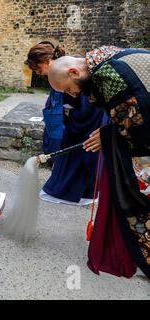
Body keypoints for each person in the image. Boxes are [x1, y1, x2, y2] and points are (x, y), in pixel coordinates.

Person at [48, 46, 150, 279]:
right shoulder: (108, 56)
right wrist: (109, 133)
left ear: (74, 72)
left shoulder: (109, 76)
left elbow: (141, 128)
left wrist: (107, 137)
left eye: (69, 90)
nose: (73, 95)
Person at [25, 42, 108, 205]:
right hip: (75, 123)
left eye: (38, 69)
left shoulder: (73, 77)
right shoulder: (60, 77)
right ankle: (83, 193)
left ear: (47, 61)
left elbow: (84, 103)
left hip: (82, 125)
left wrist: (68, 115)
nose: (39, 73)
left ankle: (72, 193)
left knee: (79, 158)